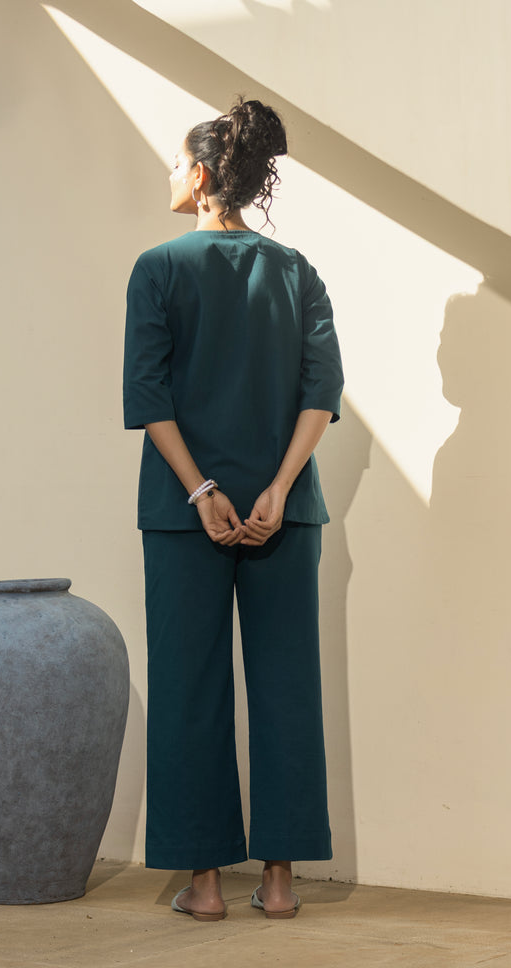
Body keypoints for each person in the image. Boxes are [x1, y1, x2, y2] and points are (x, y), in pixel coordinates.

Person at [123, 98, 343, 922]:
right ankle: (281, 885)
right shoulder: (297, 270)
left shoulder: (158, 267)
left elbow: (148, 395)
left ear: (205, 174)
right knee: (287, 687)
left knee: (189, 688)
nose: (172, 175)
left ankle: (206, 886)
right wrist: (280, 489)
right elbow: (320, 392)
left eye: (179, 162)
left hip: (185, 516)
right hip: (286, 512)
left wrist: (201, 490)